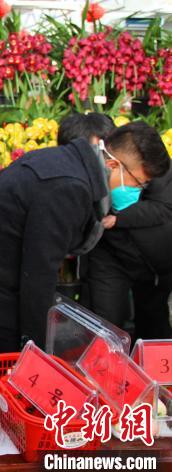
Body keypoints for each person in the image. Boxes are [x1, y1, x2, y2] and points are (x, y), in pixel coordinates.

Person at [0, 120, 170, 353]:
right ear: (113, 164)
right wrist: (37, 345)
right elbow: (40, 270)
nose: (137, 192)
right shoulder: (69, 188)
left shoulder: (61, 158)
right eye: (138, 183)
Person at [84, 135, 172, 340]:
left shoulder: (160, 168)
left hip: (156, 266)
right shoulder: (98, 169)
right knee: (106, 326)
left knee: (154, 328)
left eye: (143, 182)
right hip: (110, 256)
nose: (139, 185)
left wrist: (118, 219)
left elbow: (164, 209)